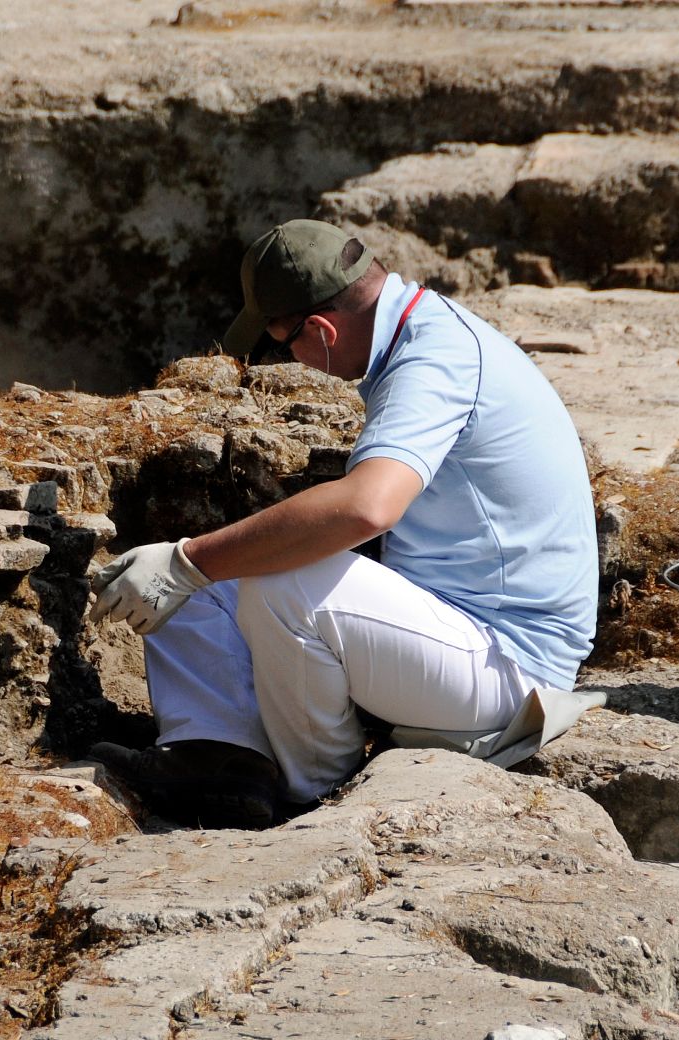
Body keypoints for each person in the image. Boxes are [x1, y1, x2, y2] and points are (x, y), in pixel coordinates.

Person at [87, 219, 597, 827]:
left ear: (321, 330)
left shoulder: (435, 360)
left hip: (511, 667)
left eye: (283, 343)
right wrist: (191, 562)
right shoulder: (421, 335)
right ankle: (222, 760)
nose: (289, 360)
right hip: (460, 631)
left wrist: (189, 561)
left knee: (277, 581)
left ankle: (316, 793)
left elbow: (366, 507)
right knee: (221, 566)